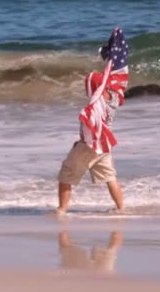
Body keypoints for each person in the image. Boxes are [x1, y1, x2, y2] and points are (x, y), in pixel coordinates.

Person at [55, 28, 129, 215]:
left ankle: (62, 209)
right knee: (110, 177)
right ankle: (121, 209)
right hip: (104, 145)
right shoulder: (113, 96)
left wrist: (82, 143)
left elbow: (90, 123)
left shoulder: (95, 106)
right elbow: (109, 81)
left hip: (90, 145)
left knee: (66, 175)